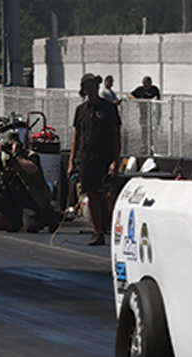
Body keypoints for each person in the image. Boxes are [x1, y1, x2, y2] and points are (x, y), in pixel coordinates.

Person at [69, 73, 121, 246]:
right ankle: (97, 232)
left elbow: (116, 135)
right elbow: (76, 136)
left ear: (97, 87)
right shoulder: (81, 110)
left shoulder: (108, 108)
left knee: (109, 194)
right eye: (86, 86)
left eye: (92, 85)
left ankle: (115, 231)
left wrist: (115, 160)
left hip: (105, 158)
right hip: (86, 159)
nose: (89, 89)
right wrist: (71, 162)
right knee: (91, 194)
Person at [0, 131, 60, 233]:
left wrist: (16, 154)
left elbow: (31, 169)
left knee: (31, 227)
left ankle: (49, 215)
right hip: (14, 195)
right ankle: (15, 221)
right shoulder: (4, 159)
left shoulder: (29, 155)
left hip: (31, 196)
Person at [129, 75, 161, 154]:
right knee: (144, 131)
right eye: (146, 83)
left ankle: (152, 146)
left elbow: (158, 99)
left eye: (149, 83)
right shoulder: (140, 90)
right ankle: (144, 146)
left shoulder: (154, 89)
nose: (147, 85)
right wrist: (138, 100)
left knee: (152, 131)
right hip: (144, 115)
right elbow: (130, 95)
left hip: (153, 115)